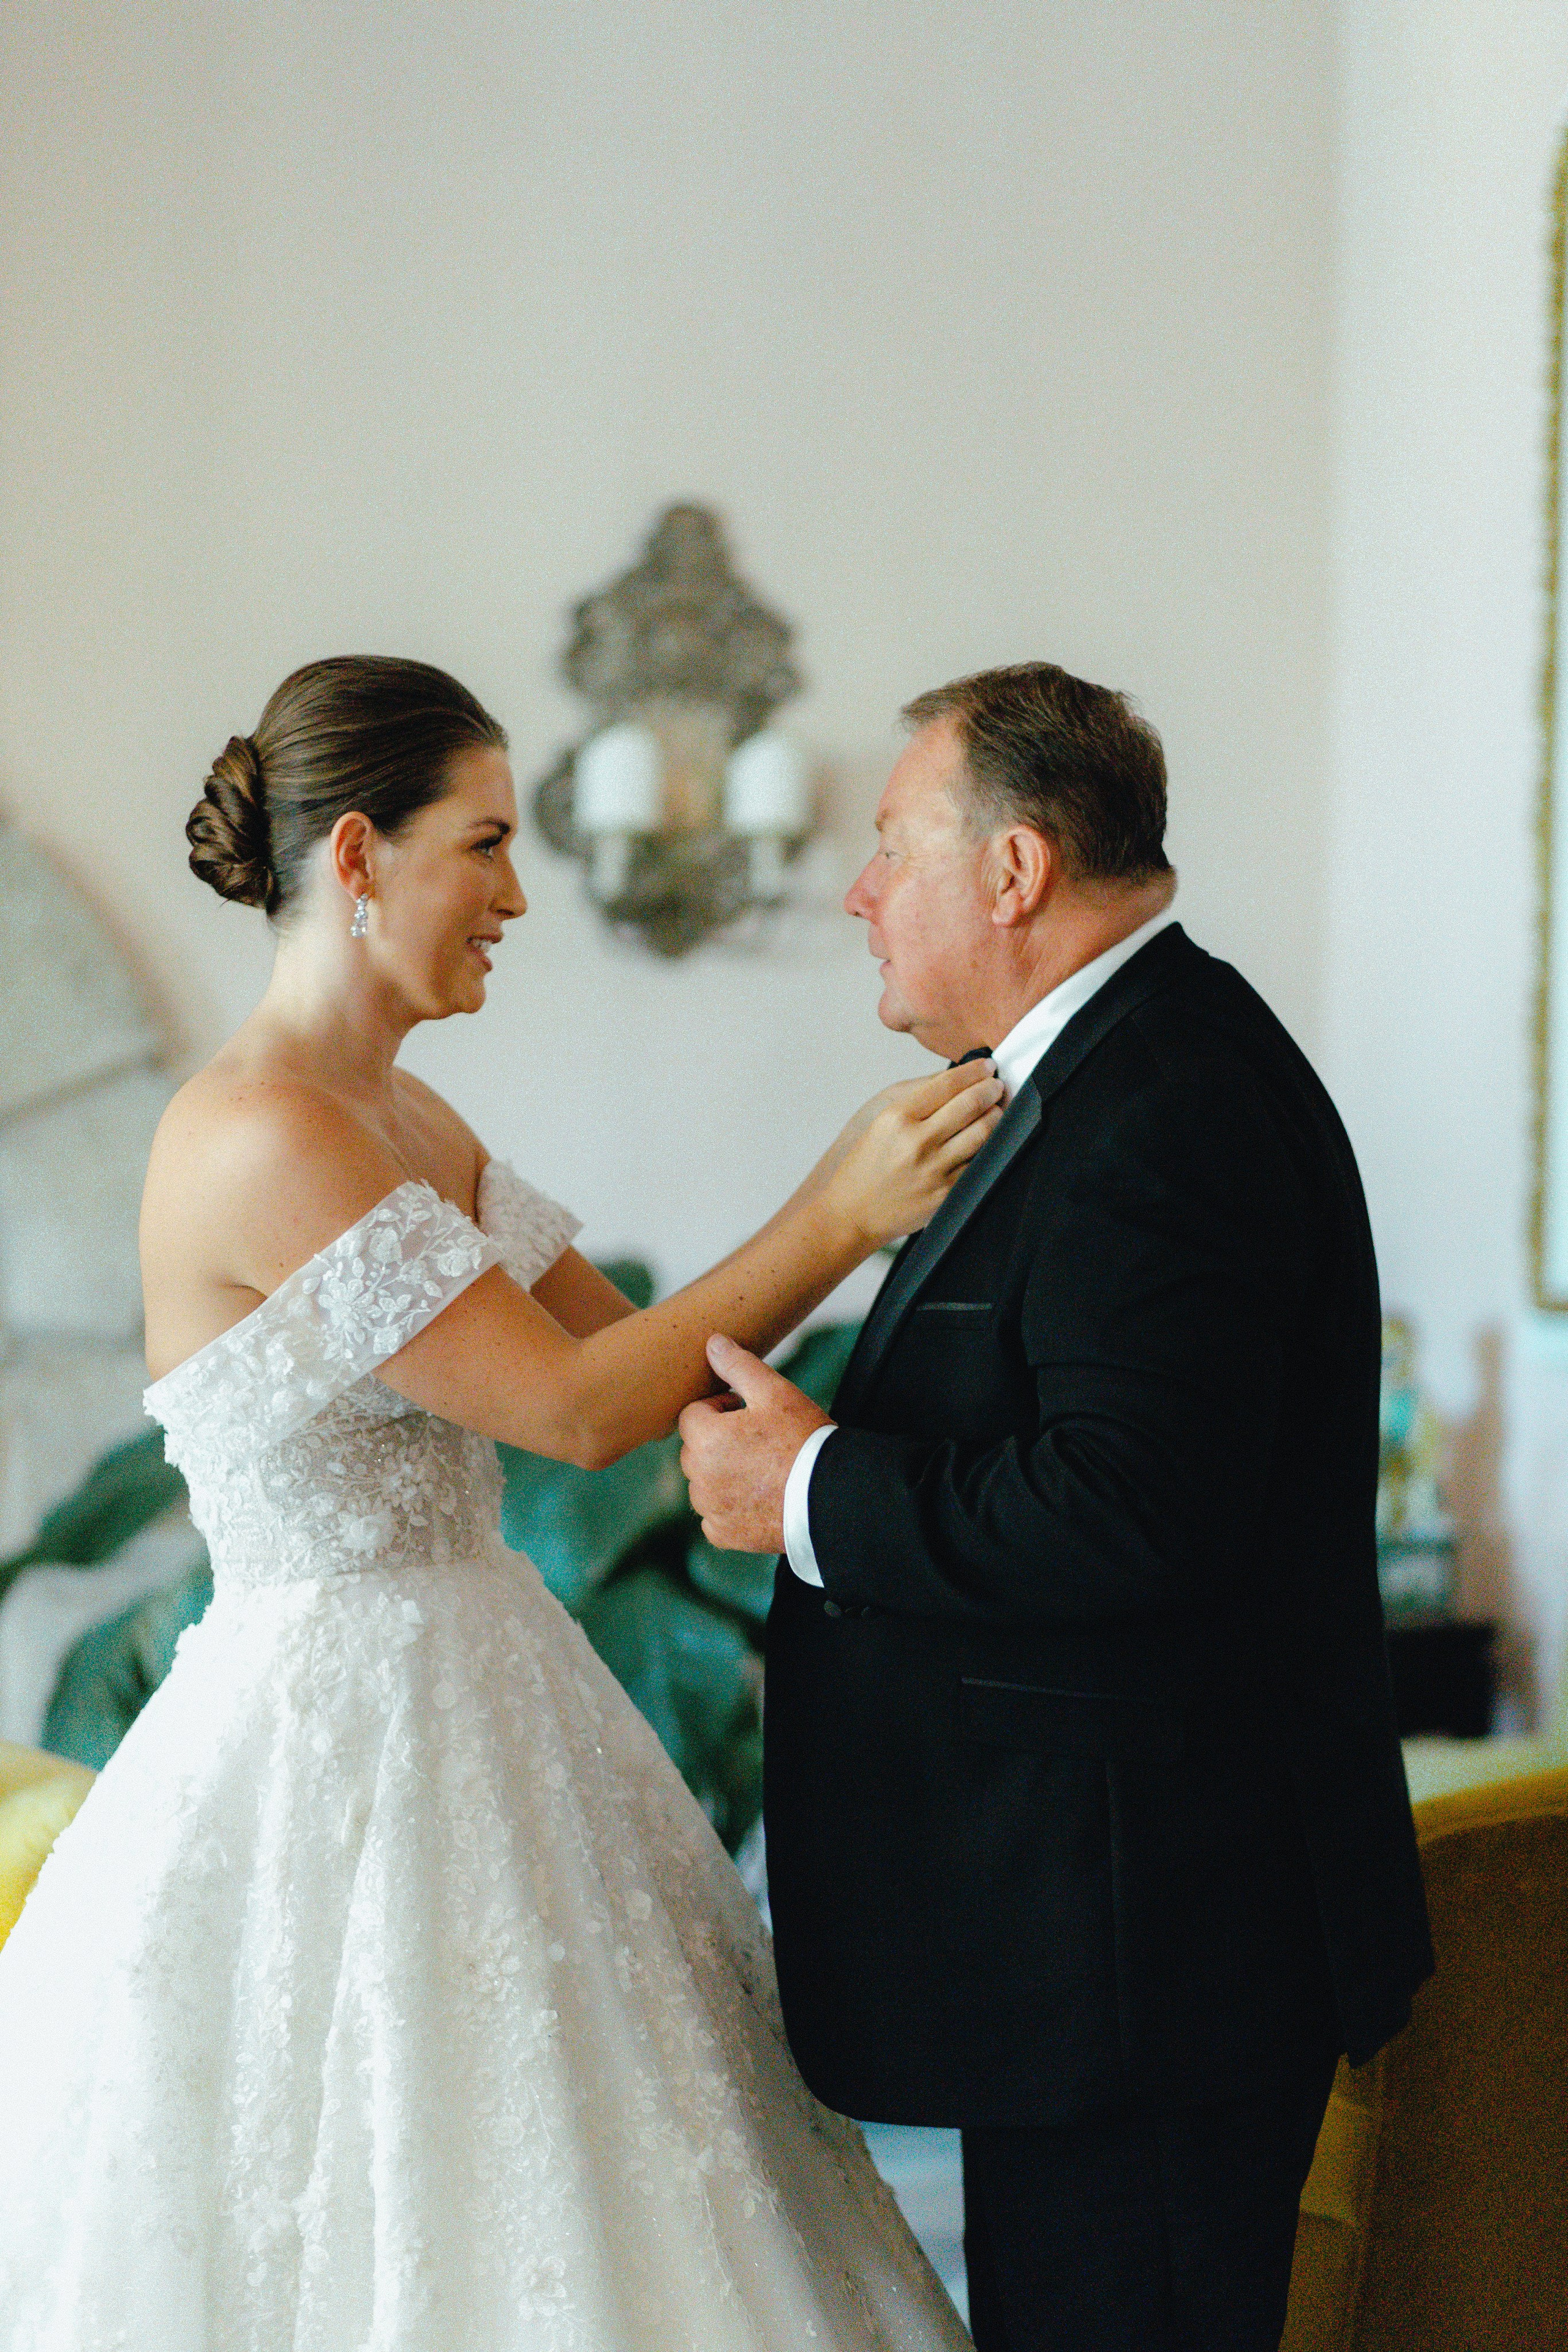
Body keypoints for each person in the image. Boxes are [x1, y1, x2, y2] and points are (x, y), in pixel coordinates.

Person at [0, 654, 1001, 2351]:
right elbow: (570, 1410)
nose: (516, 896)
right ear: (359, 856)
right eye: (485, 844)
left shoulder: (410, 1113)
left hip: (502, 1712)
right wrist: (836, 1210)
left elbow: (659, 1367)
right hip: (321, 1747)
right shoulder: (256, 1132)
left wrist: (857, 1417)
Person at [679, 662, 1436, 2352]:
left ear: (1012, 874)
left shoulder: (1162, 1105)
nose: (861, 893)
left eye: (890, 848)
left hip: (1146, 1962)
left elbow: (1130, 1504)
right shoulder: (1116, 1074)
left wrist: (804, 1483)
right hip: (1103, 1956)